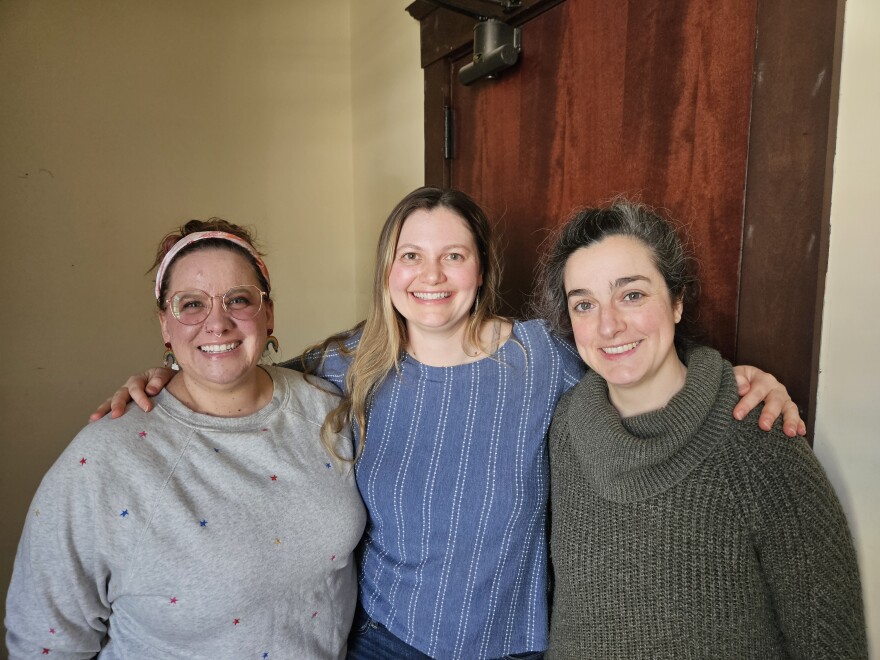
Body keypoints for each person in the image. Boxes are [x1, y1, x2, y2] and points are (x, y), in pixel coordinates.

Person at [91, 188, 805, 659]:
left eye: (452, 255)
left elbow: (633, 362)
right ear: (389, 270)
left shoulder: (540, 359)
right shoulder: (346, 365)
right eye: (412, 255)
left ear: (481, 267)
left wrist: (730, 377)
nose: (430, 276)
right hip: (387, 641)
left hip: (517, 644)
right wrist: (163, 377)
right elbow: (236, 373)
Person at [6, 220, 366, 659]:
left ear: (268, 313)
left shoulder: (328, 408)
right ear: (164, 325)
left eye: (238, 300)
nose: (217, 322)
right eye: (191, 304)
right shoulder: (103, 459)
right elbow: (45, 640)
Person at [534, 200, 866, 658]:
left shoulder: (760, 437)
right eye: (584, 304)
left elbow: (828, 640)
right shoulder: (563, 431)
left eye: (631, 294)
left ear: (676, 302)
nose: (608, 325)